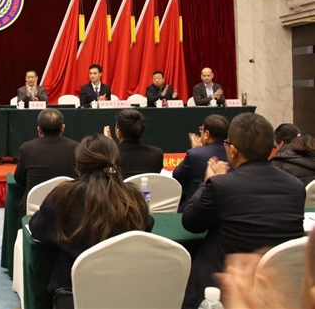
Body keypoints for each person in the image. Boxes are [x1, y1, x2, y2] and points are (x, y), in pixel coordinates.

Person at [181, 113, 305, 309]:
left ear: (233, 151)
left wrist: (208, 182)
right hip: (278, 290)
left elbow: (190, 222)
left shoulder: (222, 186)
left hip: (226, 292)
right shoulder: (296, 187)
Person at [30, 134, 153, 304]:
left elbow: (37, 229)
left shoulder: (63, 196)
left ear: (79, 166)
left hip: (73, 295)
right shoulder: (133, 197)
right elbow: (147, 227)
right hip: (126, 294)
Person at [14, 109, 78, 215]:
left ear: (39, 130)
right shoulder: (76, 147)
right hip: (68, 208)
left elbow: (18, 179)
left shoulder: (27, 148)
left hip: (35, 211)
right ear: (63, 128)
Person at [173, 114, 230, 212]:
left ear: (207, 134)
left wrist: (195, 150)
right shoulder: (232, 155)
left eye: (201, 130)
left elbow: (177, 176)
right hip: (225, 208)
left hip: (195, 209)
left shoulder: (194, 154)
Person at [104, 109, 163, 179]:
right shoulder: (157, 154)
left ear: (118, 131)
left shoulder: (110, 155)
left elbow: (108, 177)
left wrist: (108, 146)